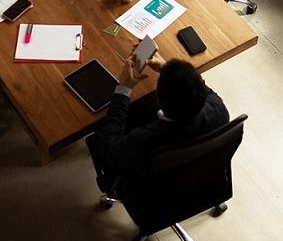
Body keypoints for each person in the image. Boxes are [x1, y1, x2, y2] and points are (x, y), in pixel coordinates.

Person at [86, 52, 230, 197]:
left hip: (155, 197)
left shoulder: (144, 140)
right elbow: (203, 90)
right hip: (201, 180)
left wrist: (124, 88)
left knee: (99, 132)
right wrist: (169, 71)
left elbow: (111, 145)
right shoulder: (219, 110)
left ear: (159, 101)